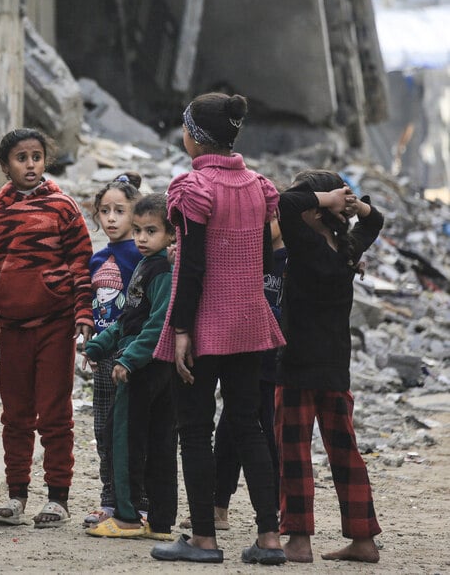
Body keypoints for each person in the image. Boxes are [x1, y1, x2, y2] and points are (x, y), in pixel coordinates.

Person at [150, 93, 286, 565]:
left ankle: (204, 538)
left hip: (205, 323)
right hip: (250, 323)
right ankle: (269, 536)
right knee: (248, 424)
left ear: (194, 136)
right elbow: (264, 262)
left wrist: (182, 328)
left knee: (193, 427)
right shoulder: (259, 186)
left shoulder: (192, 188)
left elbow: (191, 268)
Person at [0, 128, 94, 529]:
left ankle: (58, 498)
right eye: (22, 158)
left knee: (56, 414)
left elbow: (80, 264)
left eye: (37, 156)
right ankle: (16, 495)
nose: (31, 164)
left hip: (56, 326)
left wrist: (84, 316)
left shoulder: (62, 208)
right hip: (12, 329)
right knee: (15, 414)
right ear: (6, 166)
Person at [275, 170, 384, 564]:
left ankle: (299, 541)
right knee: (344, 451)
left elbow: (285, 203)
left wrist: (328, 199)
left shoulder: (304, 246)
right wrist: (356, 205)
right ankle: (363, 539)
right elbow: (375, 220)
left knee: (294, 453)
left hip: (297, 367)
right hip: (336, 367)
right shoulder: (347, 249)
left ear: (318, 210)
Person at [181, 217, 286, 531]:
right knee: (228, 435)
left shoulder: (288, 261)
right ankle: (218, 506)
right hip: (242, 358)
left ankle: (279, 511)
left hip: (272, 365)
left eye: (271, 219)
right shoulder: (246, 257)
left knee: (268, 435)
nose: (263, 227)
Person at [84, 194, 177, 542]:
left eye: (150, 231)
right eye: (137, 230)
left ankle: (126, 517)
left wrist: (127, 359)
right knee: (158, 442)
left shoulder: (162, 272)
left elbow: (157, 324)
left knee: (123, 438)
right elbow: (128, 318)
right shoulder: (146, 264)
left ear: (171, 235)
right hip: (154, 366)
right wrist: (101, 344)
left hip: (144, 369)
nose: (140, 238)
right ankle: (160, 521)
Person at [84, 173, 143, 527]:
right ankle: (109, 499)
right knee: (104, 429)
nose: (110, 218)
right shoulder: (98, 259)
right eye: (104, 211)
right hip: (103, 356)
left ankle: (138, 501)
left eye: (119, 211)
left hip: (132, 356)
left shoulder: (142, 255)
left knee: (133, 430)